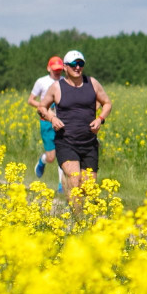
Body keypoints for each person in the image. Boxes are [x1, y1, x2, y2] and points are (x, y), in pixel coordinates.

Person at [37, 50, 112, 211]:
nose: (77, 67)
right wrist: (52, 118)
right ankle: (79, 222)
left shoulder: (92, 83)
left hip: (89, 142)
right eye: (73, 64)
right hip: (66, 141)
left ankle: (68, 188)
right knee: (74, 178)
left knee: (88, 186)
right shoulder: (57, 87)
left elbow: (107, 103)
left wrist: (100, 119)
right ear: (65, 67)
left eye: (81, 64)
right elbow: (42, 107)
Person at [28, 56, 65, 192]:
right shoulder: (41, 82)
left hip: (61, 122)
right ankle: (42, 161)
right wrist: (44, 106)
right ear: (48, 68)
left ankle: (61, 185)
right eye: (55, 69)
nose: (57, 72)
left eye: (60, 70)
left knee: (62, 152)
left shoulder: (65, 81)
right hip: (46, 122)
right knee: (51, 156)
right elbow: (31, 100)